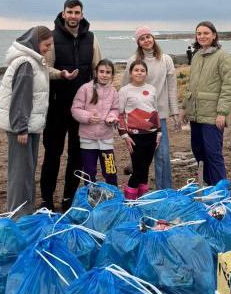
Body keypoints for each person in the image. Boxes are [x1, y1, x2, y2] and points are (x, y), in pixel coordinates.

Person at [40, 0, 102, 211]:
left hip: (82, 110)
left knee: (76, 155)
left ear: (82, 14)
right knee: (52, 154)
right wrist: (60, 74)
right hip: (57, 106)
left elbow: (97, 70)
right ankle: (47, 200)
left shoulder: (92, 38)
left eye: (77, 12)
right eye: (70, 12)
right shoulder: (52, 38)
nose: (73, 16)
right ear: (63, 13)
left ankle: (68, 199)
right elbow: (44, 69)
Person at [0, 26, 53, 218]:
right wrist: (21, 128)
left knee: (27, 170)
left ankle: (25, 210)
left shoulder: (33, 62)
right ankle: (18, 215)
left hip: (29, 125)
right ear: (36, 42)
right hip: (22, 127)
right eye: (46, 44)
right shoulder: (26, 64)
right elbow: (20, 98)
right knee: (20, 172)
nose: (49, 49)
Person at [120, 26, 179, 189]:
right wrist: (124, 119)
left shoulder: (166, 59)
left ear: (153, 38)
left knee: (162, 155)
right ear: (138, 42)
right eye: (142, 38)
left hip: (158, 115)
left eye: (148, 36)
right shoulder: (134, 61)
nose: (146, 40)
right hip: (137, 118)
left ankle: (165, 189)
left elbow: (172, 87)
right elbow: (124, 87)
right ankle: (137, 189)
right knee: (141, 158)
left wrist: (174, 111)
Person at [181, 21, 231, 186]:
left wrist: (222, 112)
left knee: (213, 154)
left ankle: (221, 191)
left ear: (214, 35)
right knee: (198, 152)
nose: (202, 36)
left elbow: (229, 86)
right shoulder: (197, 55)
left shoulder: (223, 56)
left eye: (206, 33)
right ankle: (208, 185)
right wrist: (185, 107)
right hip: (196, 114)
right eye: (199, 34)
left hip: (213, 115)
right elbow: (191, 85)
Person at [71, 59, 119, 186]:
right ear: (96, 72)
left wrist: (112, 117)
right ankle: (91, 198)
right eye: (101, 71)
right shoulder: (85, 89)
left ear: (112, 75)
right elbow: (75, 109)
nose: (104, 74)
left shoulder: (114, 91)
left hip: (106, 140)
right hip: (88, 140)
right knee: (89, 172)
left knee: (110, 171)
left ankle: (113, 196)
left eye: (108, 72)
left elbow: (115, 109)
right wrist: (87, 117)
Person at [118, 59, 161, 199]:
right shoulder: (125, 90)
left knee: (145, 169)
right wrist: (124, 135)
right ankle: (130, 201)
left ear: (146, 73)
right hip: (134, 136)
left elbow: (155, 111)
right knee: (138, 170)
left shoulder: (152, 89)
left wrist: (159, 131)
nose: (139, 73)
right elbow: (120, 114)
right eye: (136, 70)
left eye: (142, 70)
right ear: (131, 73)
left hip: (151, 135)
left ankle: (142, 200)